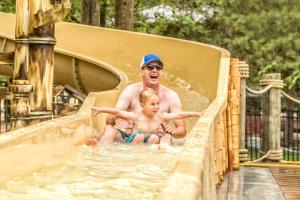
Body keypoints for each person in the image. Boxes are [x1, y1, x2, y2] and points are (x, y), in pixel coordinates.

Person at [97, 54, 187, 146]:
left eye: (158, 67)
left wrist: (173, 131)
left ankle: (161, 156)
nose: (155, 70)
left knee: (167, 137)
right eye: (150, 67)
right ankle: (98, 154)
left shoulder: (171, 96)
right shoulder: (131, 91)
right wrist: (117, 119)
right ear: (141, 72)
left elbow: (182, 131)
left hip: (156, 140)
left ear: (162, 72)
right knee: (109, 129)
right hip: (129, 138)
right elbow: (109, 119)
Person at [92, 88, 204, 144]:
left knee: (155, 138)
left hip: (148, 140)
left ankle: (154, 154)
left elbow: (179, 114)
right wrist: (101, 109)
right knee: (139, 136)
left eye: (158, 104)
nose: (156, 107)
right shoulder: (137, 115)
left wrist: (196, 114)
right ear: (142, 105)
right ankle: (96, 145)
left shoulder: (161, 116)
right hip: (132, 139)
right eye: (152, 104)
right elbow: (118, 112)